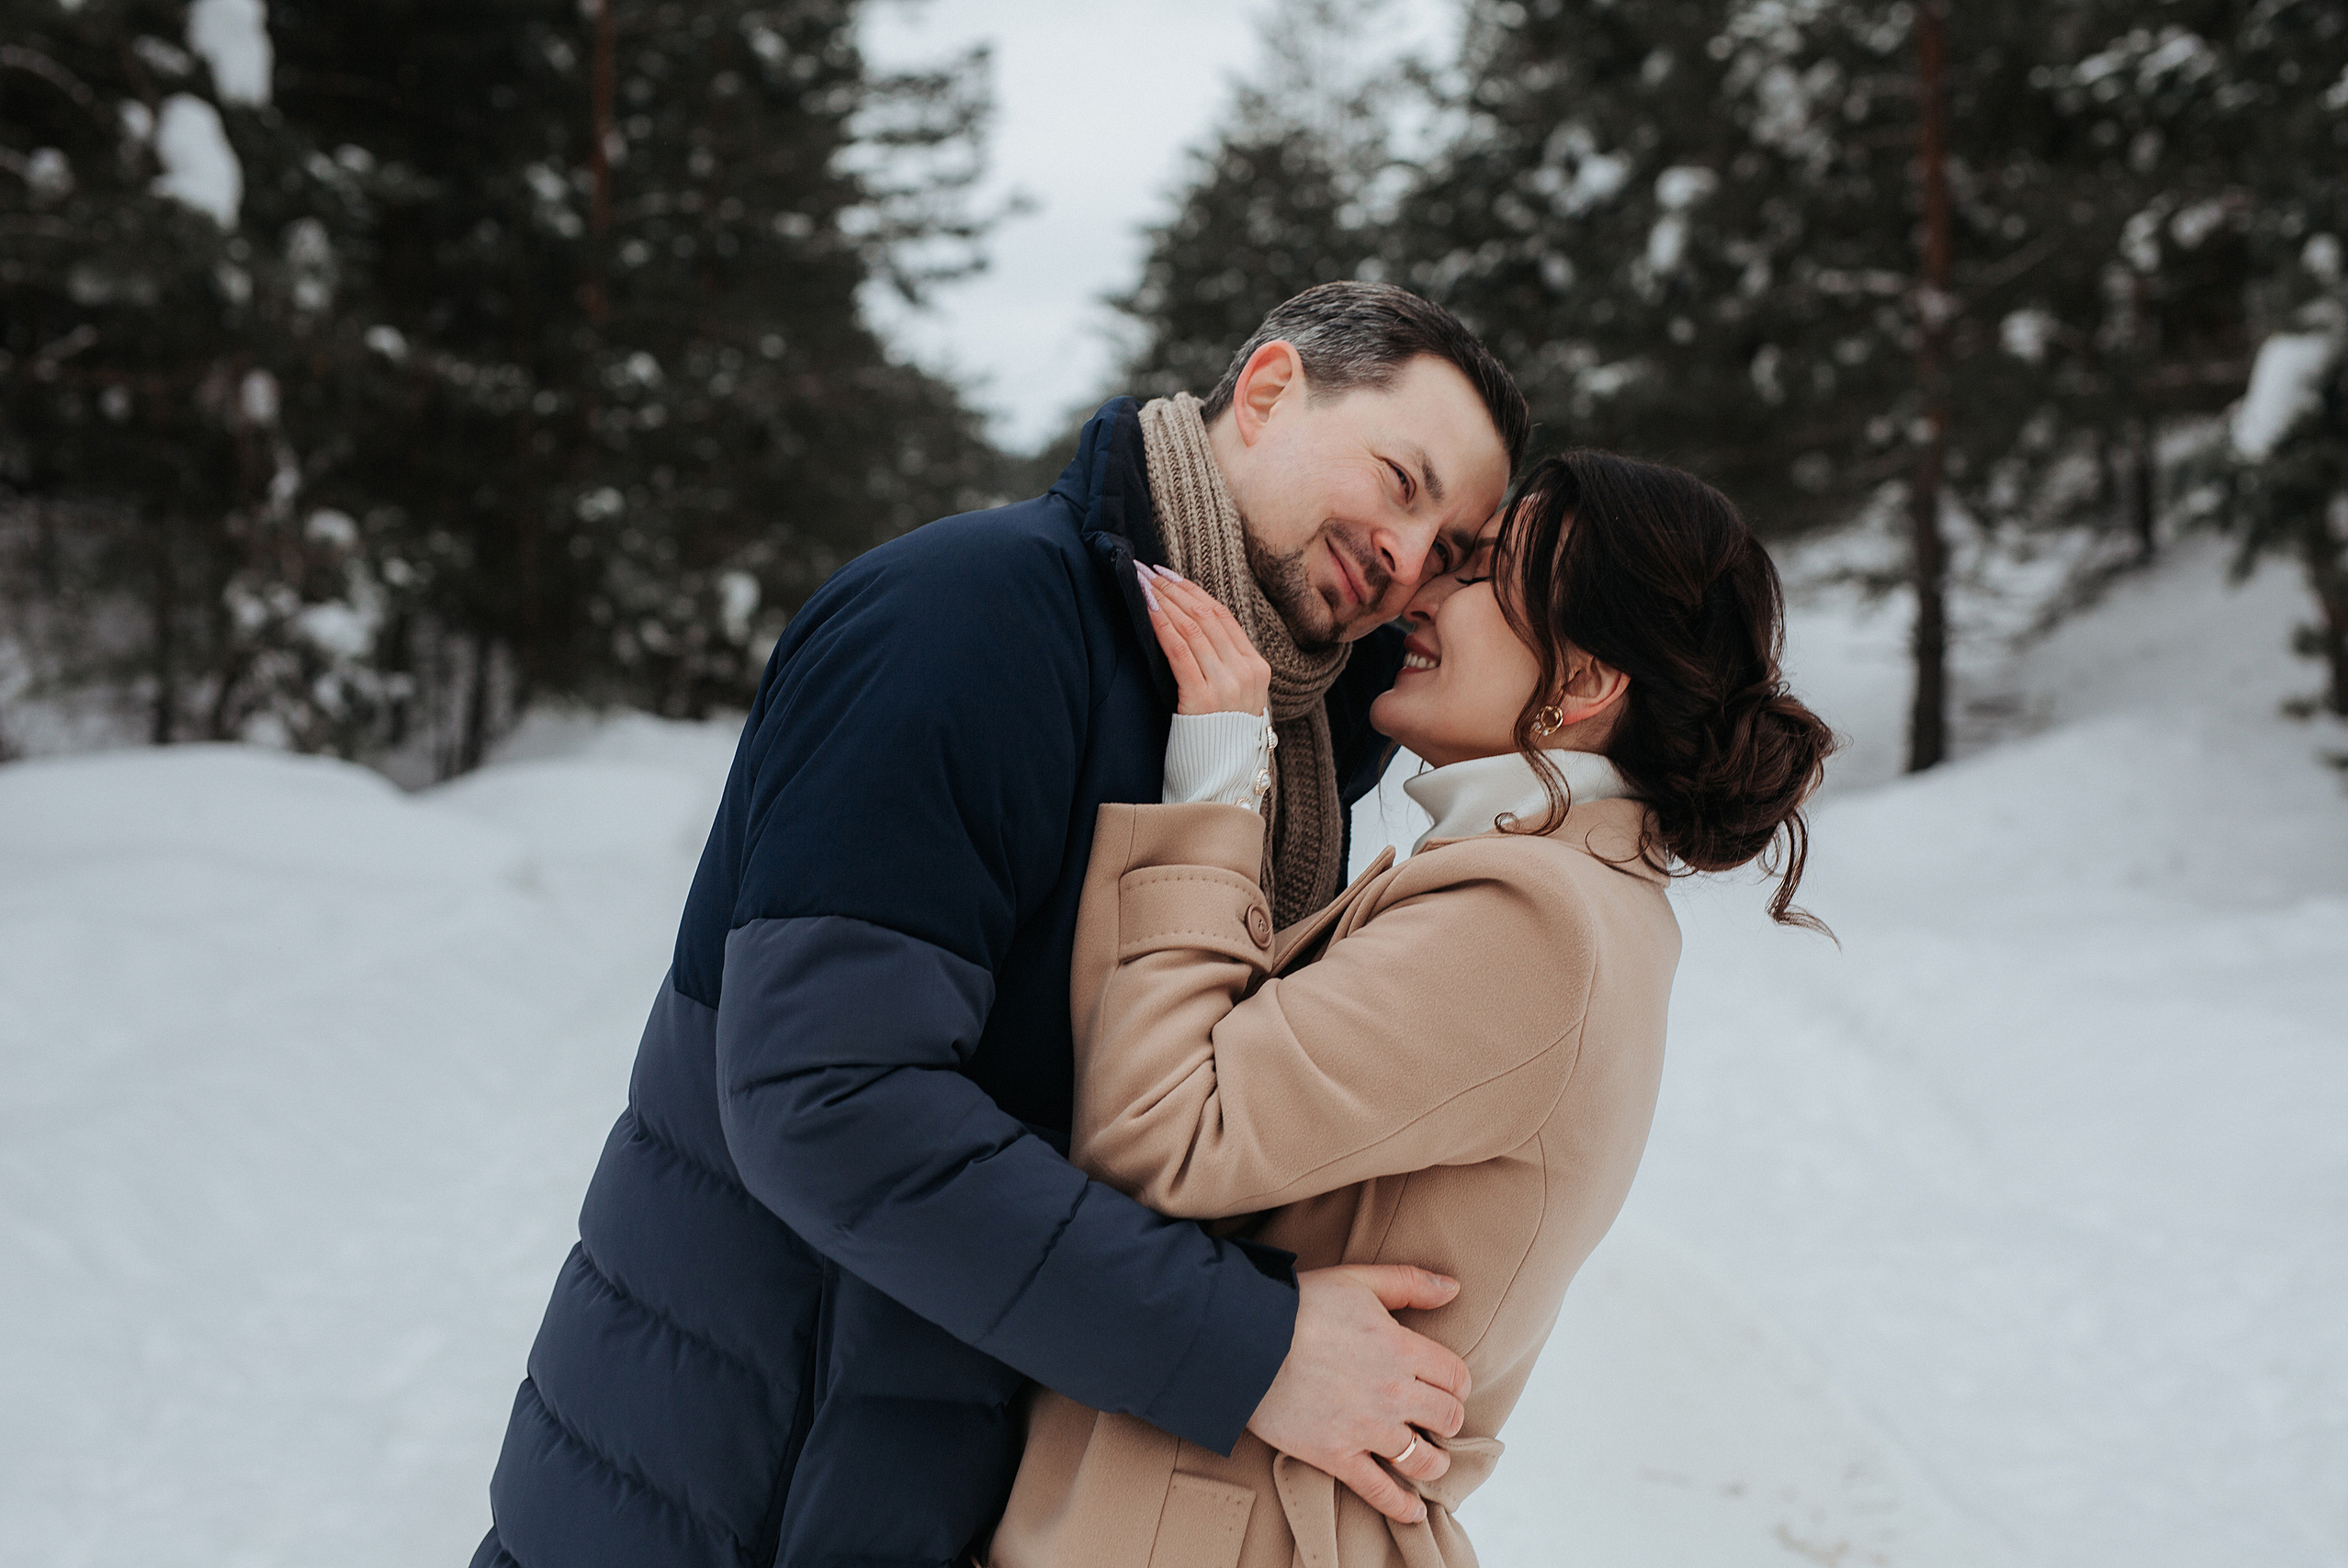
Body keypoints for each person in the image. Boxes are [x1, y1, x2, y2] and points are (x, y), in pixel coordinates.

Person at [468, 283, 1528, 1568]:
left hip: (929, 1481)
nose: (1408, 559)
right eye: (1401, 482)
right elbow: (826, 1096)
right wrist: (1253, 1349)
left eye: (1453, 551)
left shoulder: (1280, 737)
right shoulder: (965, 624)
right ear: (1264, 391)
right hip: (732, 1491)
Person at [989, 451, 1836, 1565]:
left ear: (1582, 684)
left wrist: (1215, 778)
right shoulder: (1562, 892)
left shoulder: (1530, 916)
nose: (1422, 596)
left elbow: (1162, 1135)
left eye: (1481, 574)